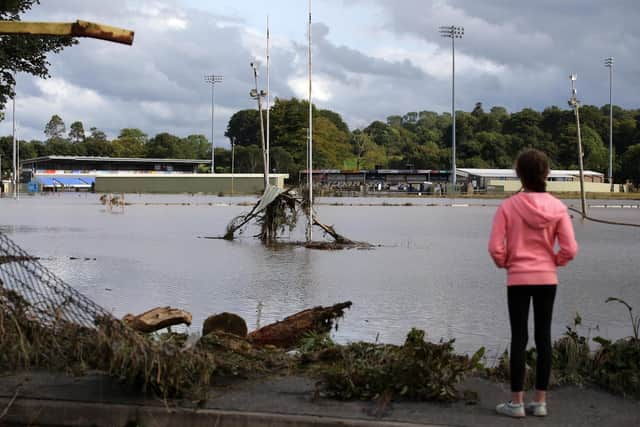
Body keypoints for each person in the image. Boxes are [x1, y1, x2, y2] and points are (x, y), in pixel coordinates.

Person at [488, 149, 578, 418]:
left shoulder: (508, 206)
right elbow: (571, 248)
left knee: (519, 338)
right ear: (546, 174)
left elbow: (495, 247)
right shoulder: (558, 207)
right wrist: (555, 261)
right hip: (547, 278)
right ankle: (539, 401)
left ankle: (516, 403)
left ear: (518, 174)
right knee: (543, 337)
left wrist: (506, 262)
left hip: (518, 278)